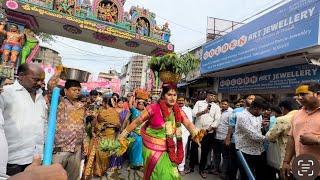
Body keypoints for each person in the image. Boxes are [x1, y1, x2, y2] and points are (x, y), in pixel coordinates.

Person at [117, 84, 203, 180]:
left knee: (171, 174)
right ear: (163, 95)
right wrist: (123, 134)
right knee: (162, 175)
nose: (172, 98)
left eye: (174, 95)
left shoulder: (177, 111)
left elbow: (187, 123)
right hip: (152, 148)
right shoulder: (153, 108)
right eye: (169, 94)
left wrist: (195, 132)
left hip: (167, 148)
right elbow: (137, 122)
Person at [0, 64, 46, 176]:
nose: (40, 83)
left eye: (42, 80)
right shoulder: (5, 93)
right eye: (36, 79)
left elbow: (43, 125)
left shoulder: (41, 98)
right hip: (12, 161)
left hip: (36, 159)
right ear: (21, 76)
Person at [47, 66, 89, 180]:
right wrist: (59, 72)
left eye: (78, 90)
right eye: (74, 90)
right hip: (60, 150)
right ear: (66, 91)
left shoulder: (82, 106)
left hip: (76, 150)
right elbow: (51, 86)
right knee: (54, 177)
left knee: (72, 178)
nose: (77, 92)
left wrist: (85, 142)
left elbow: (83, 127)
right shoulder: (60, 102)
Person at [282, 83, 320, 180]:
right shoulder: (297, 114)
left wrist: (316, 140)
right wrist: (286, 162)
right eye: (297, 95)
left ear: (318, 94)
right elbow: (291, 138)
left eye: (303, 94)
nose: (299, 98)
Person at [186, 90, 221, 178]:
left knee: (205, 151)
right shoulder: (199, 103)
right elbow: (194, 114)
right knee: (193, 149)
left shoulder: (216, 107)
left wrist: (208, 130)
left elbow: (217, 120)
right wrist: (202, 112)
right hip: (197, 131)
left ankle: (202, 169)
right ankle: (191, 167)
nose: (212, 97)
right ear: (207, 95)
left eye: (214, 96)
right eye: (211, 95)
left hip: (208, 132)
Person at [83, 97, 120, 179]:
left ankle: (102, 170)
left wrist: (106, 125)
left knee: (104, 154)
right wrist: (94, 130)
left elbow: (117, 124)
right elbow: (96, 121)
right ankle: (97, 170)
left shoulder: (113, 112)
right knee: (97, 153)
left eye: (103, 102)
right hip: (99, 134)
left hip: (108, 135)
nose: (102, 104)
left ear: (105, 102)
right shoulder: (101, 110)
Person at [235, 98, 269, 180]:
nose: (263, 113)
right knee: (247, 175)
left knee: (261, 174)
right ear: (256, 109)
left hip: (259, 150)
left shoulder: (257, 115)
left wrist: (262, 124)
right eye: (263, 110)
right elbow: (254, 135)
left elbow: (255, 129)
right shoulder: (242, 116)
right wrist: (271, 137)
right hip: (246, 151)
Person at [265, 98, 299, 176]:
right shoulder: (305, 116)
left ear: (283, 108)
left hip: (287, 158)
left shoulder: (281, 119)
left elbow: (271, 137)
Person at [225, 94, 255, 180]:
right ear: (244, 100)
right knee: (233, 165)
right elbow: (231, 126)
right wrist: (228, 138)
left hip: (250, 144)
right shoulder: (236, 111)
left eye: (253, 99)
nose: (252, 100)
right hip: (236, 142)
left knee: (246, 167)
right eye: (250, 98)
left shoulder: (256, 112)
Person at [109, 97, 131, 171]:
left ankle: (119, 163)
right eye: (119, 103)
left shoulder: (127, 112)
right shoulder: (114, 111)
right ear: (117, 103)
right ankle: (113, 164)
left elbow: (127, 122)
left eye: (122, 103)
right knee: (113, 147)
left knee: (120, 147)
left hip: (122, 131)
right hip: (114, 131)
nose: (120, 104)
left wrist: (125, 131)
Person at [213, 99, 233, 179]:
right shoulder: (218, 111)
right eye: (222, 104)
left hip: (225, 137)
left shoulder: (231, 112)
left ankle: (224, 173)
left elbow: (231, 126)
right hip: (217, 136)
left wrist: (228, 138)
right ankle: (216, 169)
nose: (223, 105)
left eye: (225, 104)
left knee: (225, 156)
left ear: (228, 105)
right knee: (216, 154)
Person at [126, 95, 145, 170]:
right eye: (140, 104)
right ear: (137, 105)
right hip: (133, 133)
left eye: (142, 104)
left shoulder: (145, 113)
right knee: (132, 150)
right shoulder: (134, 111)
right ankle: (131, 164)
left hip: (141, 134)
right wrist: (132, 96)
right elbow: (130, 104)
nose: (141, 106)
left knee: (140, 150)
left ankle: (139, 164)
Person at [177, 96, 193, 175]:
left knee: (182, 150)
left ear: (184, 101)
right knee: (172, 149)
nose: (180, 102)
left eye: (182, 101)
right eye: (179, 101)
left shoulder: (188, 110)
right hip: (172, 133)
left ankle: (181, 168)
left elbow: (190, 122)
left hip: (184, 133)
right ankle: (172, 167)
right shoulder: (171, 108)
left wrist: (189, 133)